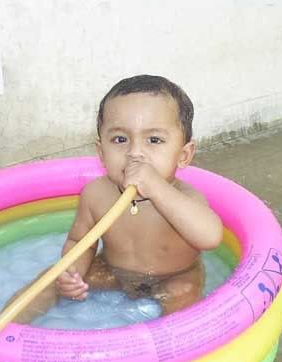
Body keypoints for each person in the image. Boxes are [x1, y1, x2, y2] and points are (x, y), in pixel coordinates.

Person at [11, 75, 223, 323]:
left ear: (183, 155)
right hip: (111, 272)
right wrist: (73, 274)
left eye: (154, 140)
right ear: (101, 153)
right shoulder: (96, 194)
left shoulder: (184, 198)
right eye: (120, 140)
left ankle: (172, 357)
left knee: (183, 294)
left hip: (176, 275)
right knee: (48, 280)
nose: (135, 153)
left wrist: (156, 188)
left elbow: (210, 237)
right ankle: (5, 332)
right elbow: (80, 241)